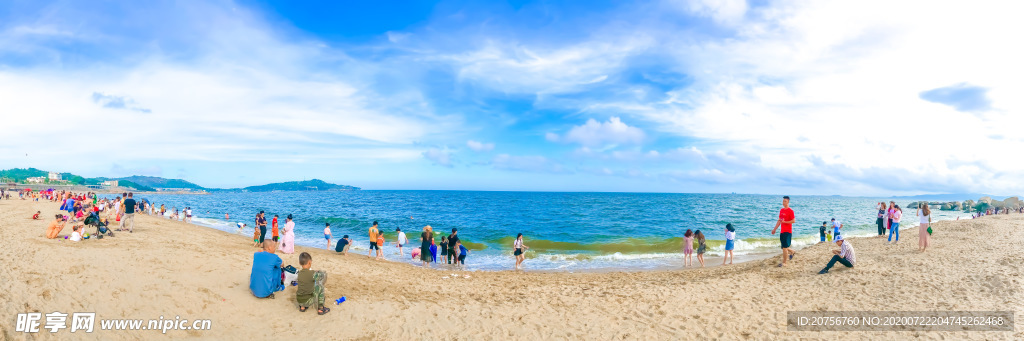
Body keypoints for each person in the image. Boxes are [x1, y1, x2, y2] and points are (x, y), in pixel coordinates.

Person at [771, 196, 796, 267]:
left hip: (788, 231)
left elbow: (793, 221)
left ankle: (784, 263)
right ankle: (792, 251)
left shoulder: (790, 211)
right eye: (783, 201)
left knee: (784, 248)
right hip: (782, 231)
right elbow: (779, 221)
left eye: (785, 201)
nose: (783, 202)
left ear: (788, 201)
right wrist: (774, 229)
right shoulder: (781, 210)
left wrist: (785, 222)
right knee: (783, 247)